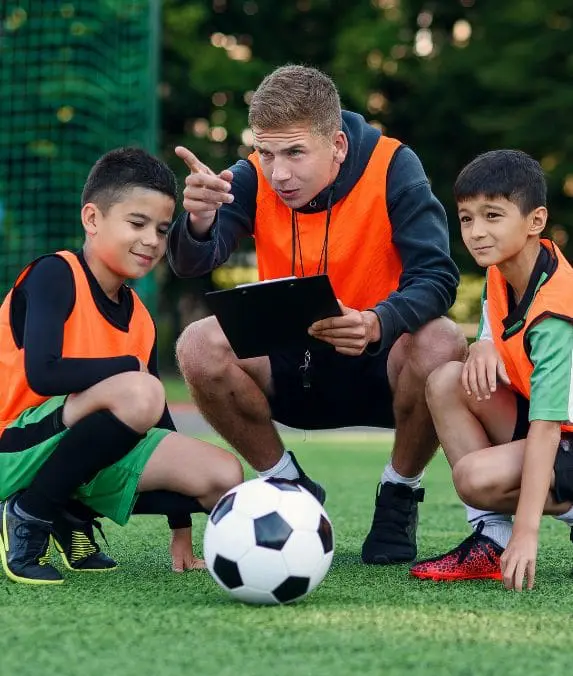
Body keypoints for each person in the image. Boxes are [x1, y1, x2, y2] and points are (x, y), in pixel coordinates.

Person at [168, 65, 466, 565]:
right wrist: (198, 220)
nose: (278, 172)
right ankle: (286, 484)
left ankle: (399, 493)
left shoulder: (394, 166)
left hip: (380, 365)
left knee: (443, 340)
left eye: (295, 153)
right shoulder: (249, 176)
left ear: (338, 145)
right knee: (197, 344)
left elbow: (437, 277)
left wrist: (377, 321)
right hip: (290, 369)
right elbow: (194, 261)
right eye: (266, 152)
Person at [0, 147, 243, 585]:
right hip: (12, 447)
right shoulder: (55, 274)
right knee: (139, 390)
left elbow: (159, 424)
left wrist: (181, 532)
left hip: (74, 452)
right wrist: (128, 368)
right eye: (137, 223)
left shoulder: (140, 317)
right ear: (92, 219)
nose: (152, 239)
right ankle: (29, 513)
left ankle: (68, 510)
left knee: (222, 474)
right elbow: (43, 373)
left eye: (162, 229)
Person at [410, 149, 573, 591]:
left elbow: (546, 428)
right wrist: (483, 343)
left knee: (474, 477)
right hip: (559, 436)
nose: (477, 233)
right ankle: (491, 540)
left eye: (493, 216)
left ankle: (520, 531)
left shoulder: (555, 314)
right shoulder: (505, 268)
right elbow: (493, 319)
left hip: (558, 434)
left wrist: (528, 533)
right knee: (447, 380)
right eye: (466, 218)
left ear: (535, 221)